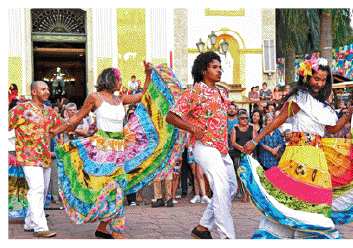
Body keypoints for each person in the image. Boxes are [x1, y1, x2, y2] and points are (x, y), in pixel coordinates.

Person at [240, 55, 353, 239]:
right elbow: (277, 121)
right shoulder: (300, 100)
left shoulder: (323, 107)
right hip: (298, 154)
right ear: (307, 77)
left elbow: (332, 128)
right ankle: (276, 234)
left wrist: (348, 116)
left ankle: (305, 236)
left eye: (324, 80)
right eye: (316, 79)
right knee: (293, 196)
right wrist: (255, 140)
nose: (320, 83)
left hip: (317, 156)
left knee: (315, 199)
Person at [51, 61, 153, 239]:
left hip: (119, 150)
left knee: (118, 184)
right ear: (110, 80)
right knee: (106, 187)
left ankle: (106, 228)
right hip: (100, 150)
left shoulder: (120, 99)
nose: (121, 82)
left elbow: (144, 94)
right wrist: (57, 131)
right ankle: (112, 229)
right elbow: (78, 117)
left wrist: (148, 74)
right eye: (119, 79)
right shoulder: (95, 97)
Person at [166, 51, 238, 239]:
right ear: (203, 70)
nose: (219, 70)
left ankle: (202, 227)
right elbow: (171, 116)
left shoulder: (221, 92)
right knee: (221, 188)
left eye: (219, 67)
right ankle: (227, 237)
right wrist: (191, 128)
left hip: (222, 148)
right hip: (204, 146)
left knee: (231, 188)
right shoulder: (195, 91)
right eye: (214, 67)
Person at [9, 81, 66, 238]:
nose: (48, 91)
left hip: (45, 157)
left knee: (42, 191)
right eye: (43, 89)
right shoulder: (21, 109)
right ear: (34, 92)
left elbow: (64, 124)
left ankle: (29, 222)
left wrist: (80, 124)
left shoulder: (49, 112)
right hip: (28, 156)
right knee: (37, 189)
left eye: (48, 89)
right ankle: (40, 227)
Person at [188, 136, 211, 204]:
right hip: (191, 151)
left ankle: (204, 195)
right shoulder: (189, 131)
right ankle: (197, 195)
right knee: (195, 174)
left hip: (200, 150)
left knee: (200, 173)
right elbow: (186, 143)